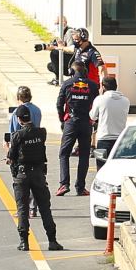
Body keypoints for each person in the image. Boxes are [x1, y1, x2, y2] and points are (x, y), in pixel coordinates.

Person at [6, 105, 64, 252]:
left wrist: (8, 147)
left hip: (22, 174)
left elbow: (11, 157)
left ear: (19, 119)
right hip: (38, 174)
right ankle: (52, 240)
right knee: (45, 208)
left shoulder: (18, 135)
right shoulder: (41, 133)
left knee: (22, 209)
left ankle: (24, 242)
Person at [56, 61, 99, 196]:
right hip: (86, 122)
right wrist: (94, 120)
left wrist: (62, 119)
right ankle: (80, 187)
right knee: (84, 155)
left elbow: (59, 104)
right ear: (85, 72)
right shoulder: (92, 85)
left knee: (64, 153)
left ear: (71, 72)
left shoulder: (67, 84)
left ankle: (64, 184)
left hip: (71, 121)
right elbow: (96, 104)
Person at [6, 86, 42, 217]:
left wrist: (9, 150)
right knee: (35, 179)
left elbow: (13, 133)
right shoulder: (37, 110)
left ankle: (23, 209)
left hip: (21, 149)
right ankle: (33, 208)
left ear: (18, 98)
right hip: (36, 146)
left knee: (20, 181)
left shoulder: (17, 112)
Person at [89, 77, 130, 170]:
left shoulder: (99, 99)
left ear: (103, 87)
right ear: (116, 86)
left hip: (103, 139)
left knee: (101, 169)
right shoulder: (126, 101)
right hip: (120, 140)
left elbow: (92, 116)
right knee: (118, 169)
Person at [43, 16, 75, 86]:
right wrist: (45, 47)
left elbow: (72, 50)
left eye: (57, 23)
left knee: (54, 53)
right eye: (55, 24)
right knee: (50, 66)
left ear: (64, 23)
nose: (56, 26)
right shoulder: (60, 33)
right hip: (65, 58)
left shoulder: (69, 32)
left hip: (71, 60)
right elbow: (56, 46)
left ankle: (58, 79)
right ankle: (58, 77)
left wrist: (60, 48)